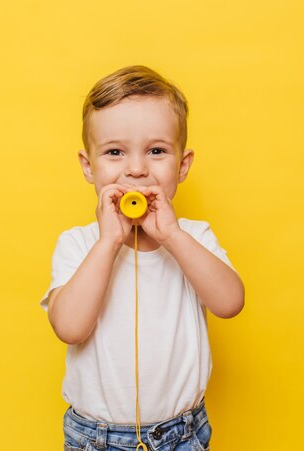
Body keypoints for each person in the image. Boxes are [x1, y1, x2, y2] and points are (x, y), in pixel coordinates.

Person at [39, 65, 245, 450]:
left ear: (182, 166)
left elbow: (230, 302)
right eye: (115, 152)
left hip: (182, 434)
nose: (136, 169)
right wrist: (108, 243)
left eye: (156, 151)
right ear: (89, 167)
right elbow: (69, 327)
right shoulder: (80, 244)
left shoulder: (192, 238)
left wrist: (171, 235)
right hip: (95, 439)